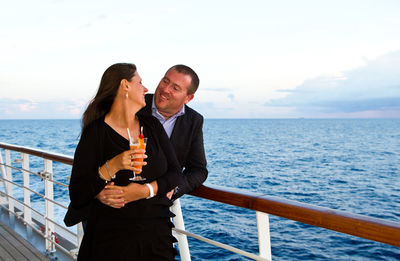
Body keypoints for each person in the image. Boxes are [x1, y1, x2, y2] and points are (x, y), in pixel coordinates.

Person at [64, 63, 182, 260]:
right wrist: (113, 166)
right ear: (124, 85)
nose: (145, 89)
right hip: (111, 241)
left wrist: (146, 190)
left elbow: (176, 174)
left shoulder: (151, 126)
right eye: (140, 82)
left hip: (156, 238)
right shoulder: (96, 133)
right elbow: (78, 193)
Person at [100, 64, 207, 207]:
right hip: (113, 202)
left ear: (188, 98)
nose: (165, 89)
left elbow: (198, 170)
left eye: (175, 88)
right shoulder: (134, 103)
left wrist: (174, 187)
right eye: (165, 81)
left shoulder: (194, 120)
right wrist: (97, 191)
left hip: (156, 207)